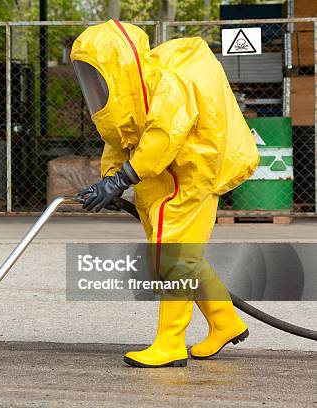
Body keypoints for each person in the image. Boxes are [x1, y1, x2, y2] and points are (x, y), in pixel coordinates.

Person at [71, 20, 260, 367]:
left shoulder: (166, 84)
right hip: (164, 177)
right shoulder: (130, 94)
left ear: (119, 66)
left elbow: (164, 136)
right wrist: (110, 179)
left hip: (194, 174)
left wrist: (120, 180)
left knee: (171, 259)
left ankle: (171, 344)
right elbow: (119, 139)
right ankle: (225, 322)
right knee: (181, 257)